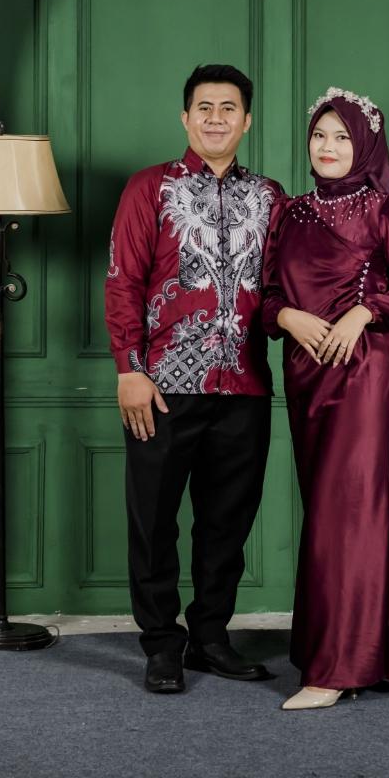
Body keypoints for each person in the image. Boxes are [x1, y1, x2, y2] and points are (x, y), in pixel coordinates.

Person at [105, 65, 284, 694]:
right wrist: (130, 371)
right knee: (153, 522)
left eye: (228, 108)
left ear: (247, 120)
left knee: (226, 524)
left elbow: (281, 288)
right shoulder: (149, 188)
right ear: (186, 117)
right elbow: (123, 281)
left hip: (245, 387)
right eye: (204, 107)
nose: (215, 118)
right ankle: (161, 645)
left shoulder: (270, 196)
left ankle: (210, 637)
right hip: (160, 389)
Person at [261, 87, 389, 710]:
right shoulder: (289, 213)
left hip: (363, 371)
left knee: (350, 509)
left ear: (365, 146)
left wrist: (362, 312)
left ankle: (332, 671)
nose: (327, 147)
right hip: (305, 371)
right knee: (328, 508)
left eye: (341, 137)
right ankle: (363, 655)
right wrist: (287, 318)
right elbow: (266, 296)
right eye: (319, 135)